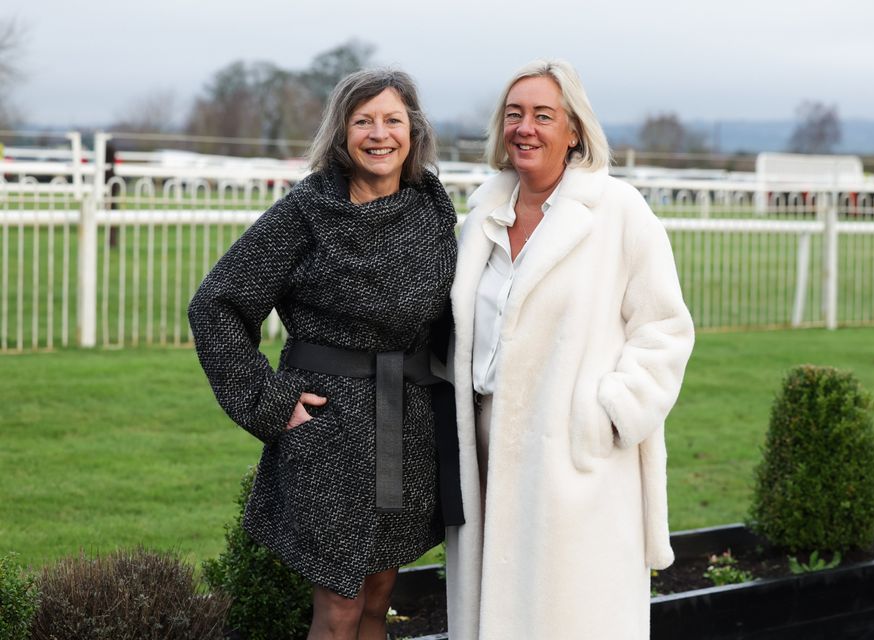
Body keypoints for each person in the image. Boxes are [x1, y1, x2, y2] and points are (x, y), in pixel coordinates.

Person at [188, 69, 460, 640]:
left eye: (392, 120)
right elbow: (216, 306)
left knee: (378, 594)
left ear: (414, 131)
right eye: (363, 121)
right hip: (327, 427)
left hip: (405, 427)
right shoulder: (304, 213)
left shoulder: (433, 212)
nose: (379, 134)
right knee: (339, 601)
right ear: (341, 133)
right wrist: (272, 403)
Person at [444, 59, 695, 639]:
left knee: (573, 618)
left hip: (578, 463)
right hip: (485, 451)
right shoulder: (483, 209)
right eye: (514, 115)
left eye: (542, 116)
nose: (524, 128)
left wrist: (607, 414)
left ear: (575, 130)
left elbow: (665, 329)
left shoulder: (619, 211)